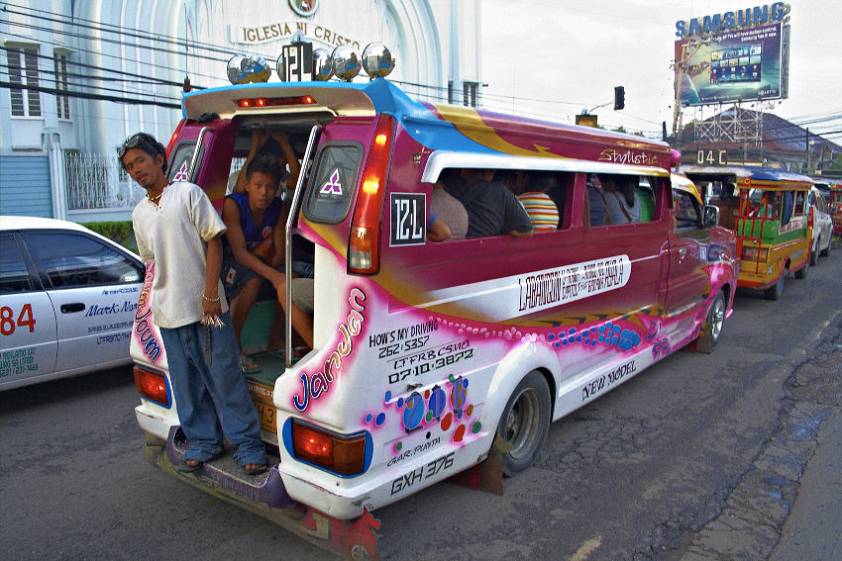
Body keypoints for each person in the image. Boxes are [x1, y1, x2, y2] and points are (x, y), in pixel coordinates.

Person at [123, 132, 267, 476]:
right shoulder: (139, 214)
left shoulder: (188, 193)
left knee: (226, 378)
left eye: (140, 160)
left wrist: (210, 295)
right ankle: (205, 442)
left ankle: (248, 446)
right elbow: (152, 263)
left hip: (208, 311)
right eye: (129, 167)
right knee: (187, 388)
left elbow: (214, 241)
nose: (136, 169)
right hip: (168, 313)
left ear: (159, 158)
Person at [222, 154, 315, 368]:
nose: (264, 192)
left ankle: (276, 340)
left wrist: (277, 272)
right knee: (253, 280)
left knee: (292, 279)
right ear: (247, 185)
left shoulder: (278, 207)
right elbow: (239, 253)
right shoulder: (233, 205)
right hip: (231, 262)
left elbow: (281, 250)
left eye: (271, 187)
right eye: (258, 185)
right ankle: (233, 346)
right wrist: (273, 275)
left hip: (262, 259)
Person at [443, 169, 533, 238]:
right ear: (489, 172)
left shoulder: (443, 186)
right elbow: (527, 230)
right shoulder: (501, 192)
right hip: (484, 253)